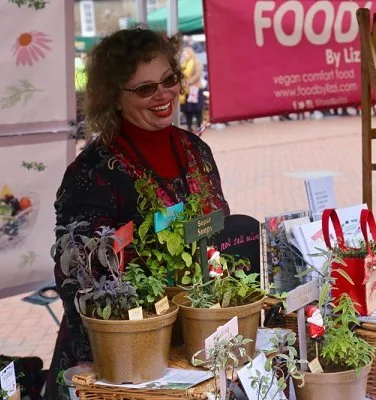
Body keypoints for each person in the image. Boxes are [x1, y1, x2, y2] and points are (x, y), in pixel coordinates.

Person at [45, 28, 229, 399]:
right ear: (114, 98)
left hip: (194, 343)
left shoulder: (196, 150)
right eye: (144, 89)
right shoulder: (93, 171)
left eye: (168, 80)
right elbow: (77, 275)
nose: (162, 95)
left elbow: (219, 226)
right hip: (119, 364)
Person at [180, 46, 205, 132]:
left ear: (190, 53)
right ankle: (189, 127)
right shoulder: (184, 63)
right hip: (186, 91)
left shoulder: (197, 62)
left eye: (186, 53)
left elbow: (197, 75)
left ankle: (199, 125)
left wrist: (188, 82)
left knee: (197, 109)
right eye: (184, 54)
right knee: (188, 110)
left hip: (196, 89)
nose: (184, 55)